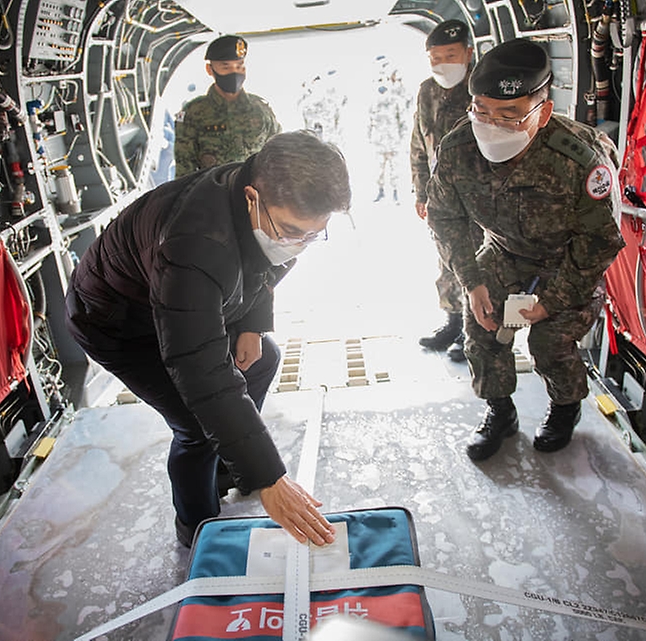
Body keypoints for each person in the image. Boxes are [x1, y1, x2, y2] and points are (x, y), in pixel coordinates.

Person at [64, 131, 350, 547]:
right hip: (120, 320)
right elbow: (198, 365)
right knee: (196, 425)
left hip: (187, 301)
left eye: (312, 235)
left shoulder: (260, 197)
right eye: (291, 231)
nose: (298, 246)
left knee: (263, 359)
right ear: (253, 197)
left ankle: (225, 469)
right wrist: (268, 476)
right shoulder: (196, 244)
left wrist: (251, 322)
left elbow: (268, 263)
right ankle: (199, 528)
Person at [425, 39, 624, 460]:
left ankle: (565, 408)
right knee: (480, 325)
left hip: (567, 259)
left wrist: (550, 302)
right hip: (504, 251)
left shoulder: (580, 158)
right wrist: (472, 281)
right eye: (482, 111)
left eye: (509, 116)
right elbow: (446, 217)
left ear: (543, 111)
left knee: (551, 343)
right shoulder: (459, 149)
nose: (492, 125)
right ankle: (500, 412)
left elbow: (599, 240)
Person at [409, 19, 477, 362]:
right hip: (441, 196)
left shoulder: (483, 87)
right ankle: (452, 322)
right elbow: (419, 144)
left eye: (449, 55)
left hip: (479, 196)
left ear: (468, 52)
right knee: (447, 260)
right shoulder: (427, 91)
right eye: (434, 57)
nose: (441, 63)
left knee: (476, 263)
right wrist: (421, 192)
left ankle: (473, 332)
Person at [174, 34, 281, 177]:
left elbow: (278, 157)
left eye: (239, 67)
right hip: (213, 194)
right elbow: (184, 169)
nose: (234, 73)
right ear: (210, 70)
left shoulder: (260, 110)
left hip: (254, 195)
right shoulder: (194, 113)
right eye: (226, 67)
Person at [367, 66, 410, 204]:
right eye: (379, 80)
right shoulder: (373, 102)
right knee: (378, 170)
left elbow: (402, 121)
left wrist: (403, 139)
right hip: (378, 142)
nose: (382, 83)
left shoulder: (395, 100)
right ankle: (380, 192)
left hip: (394, 142)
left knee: (395, 170)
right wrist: (369, 139)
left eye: (384, 80)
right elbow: (369, 122)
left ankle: (396, 193)